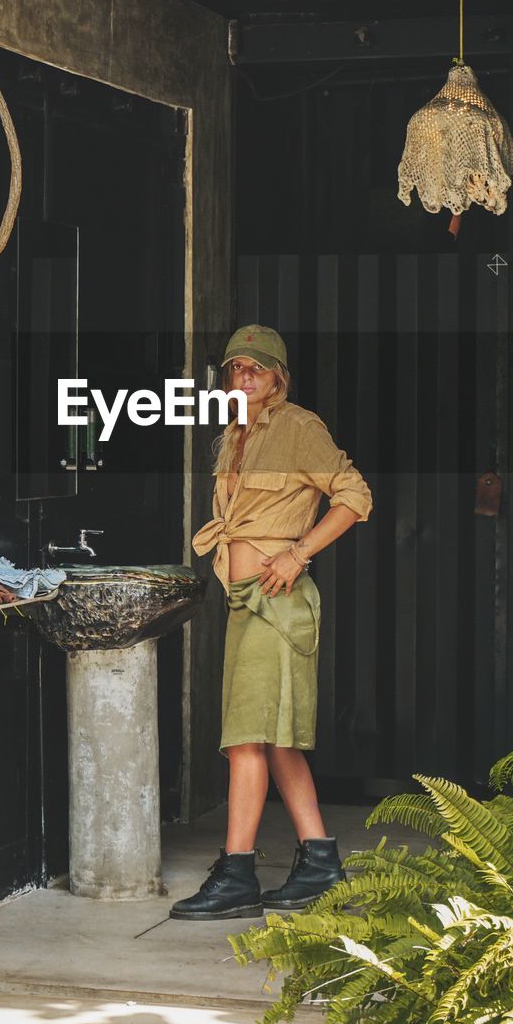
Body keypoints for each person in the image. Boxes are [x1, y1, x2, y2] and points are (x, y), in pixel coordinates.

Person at [169, 324, 373, 921]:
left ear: (279, 376)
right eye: (237, 368)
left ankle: (237, 873)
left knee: (245, 743)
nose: (246, 376)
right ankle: (320, 862)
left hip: (274, 603)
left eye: (258, 368)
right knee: (275, 741)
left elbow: (355, 496)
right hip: (244, 605)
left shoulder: (299, 428)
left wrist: (298, 552)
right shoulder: (235, 434)